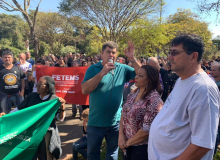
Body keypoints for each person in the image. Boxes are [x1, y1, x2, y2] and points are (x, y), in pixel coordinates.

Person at [148, 34, 220, 160]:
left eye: (175, 52)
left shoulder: (204, 89)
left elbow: (202, 144)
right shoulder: (182, 80)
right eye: (170, 52)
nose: (169, 57)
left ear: (193, 56)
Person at [81, 41, 141, 160]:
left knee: (112, 154)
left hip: (115, 122)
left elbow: (142, 73)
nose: (111, 55)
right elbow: (84, 90)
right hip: (95, 122)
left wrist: (132, 58)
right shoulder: (93, 69)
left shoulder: (122, 68)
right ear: (102, 53)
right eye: (108, 52)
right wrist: (102, 73)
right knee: (92, 154)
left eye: (113, 52)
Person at [10, 76, 66, 160]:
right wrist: (6, 116)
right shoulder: (31, 97)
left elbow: (60, 119)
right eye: (37, 85)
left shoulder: (54, 99)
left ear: (48, 87)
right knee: (30, 154)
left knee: (44, 156)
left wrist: (62, 107)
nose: (38, 87)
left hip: (46, 133)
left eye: (41, 85)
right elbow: (18, 110)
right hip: (31, 132)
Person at [119, 65, 163, 160]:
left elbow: (146, 131)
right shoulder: (133, 93)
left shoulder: (154, 101)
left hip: (141, 148)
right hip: (126, 145)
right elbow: (124, 113)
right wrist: (121, 136)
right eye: (137, 74)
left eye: (141, 75)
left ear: (150, 80)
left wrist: (127, 143)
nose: (136, 77)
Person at [0, 49, 25, 114]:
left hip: (17, 95)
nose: (7, 59)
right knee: (4, 114)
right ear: (2, 58)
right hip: (3, 96)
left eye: (9, 57)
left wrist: (22, 91)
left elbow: (22, 80)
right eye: (5, 57)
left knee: (21, 112)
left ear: (12, 59)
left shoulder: (17, 68)